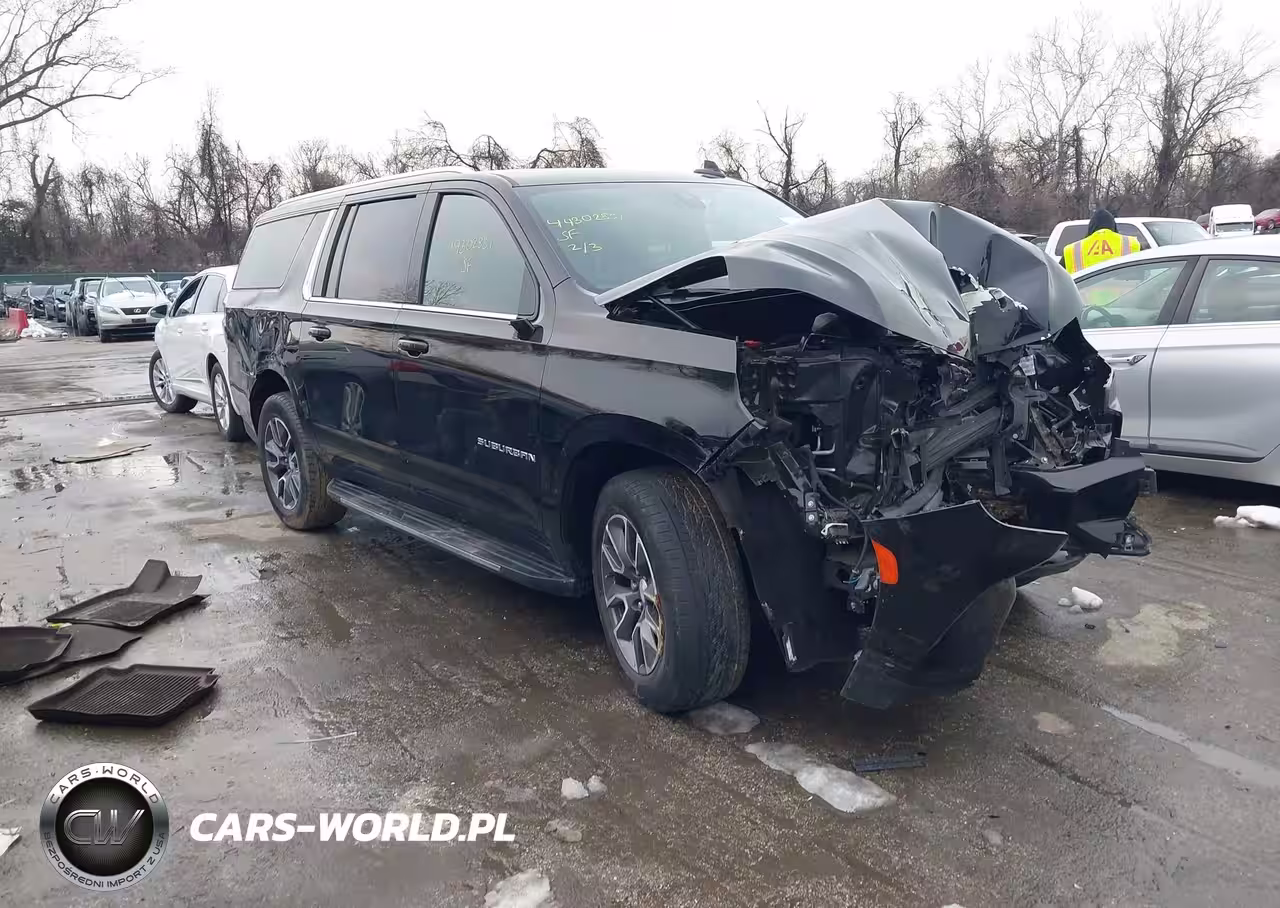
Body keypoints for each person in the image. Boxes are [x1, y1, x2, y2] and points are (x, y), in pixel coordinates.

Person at [1060, 209, 1141, 274]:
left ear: (1091, 227)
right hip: (1124, 294)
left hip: (1084, 293)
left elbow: (1057, 280)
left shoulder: (1072, 250)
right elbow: (1143, 274)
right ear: (1113, 226)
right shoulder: (1132, 244)